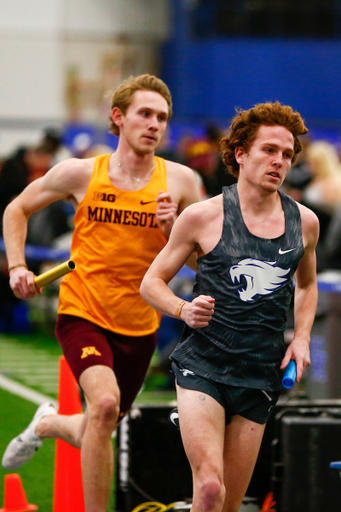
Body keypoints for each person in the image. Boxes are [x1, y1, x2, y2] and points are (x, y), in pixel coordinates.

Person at [1, 74, 200, 512]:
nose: (154, 124)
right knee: (105, 405)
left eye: (162, 118)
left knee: (100, 423)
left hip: (140, 322)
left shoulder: (182, 183)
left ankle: (49, 424)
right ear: (118, 118)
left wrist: (172, 231)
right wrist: (17, 265)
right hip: (83, 311)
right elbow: (17, 208)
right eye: (144, 114)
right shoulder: (81, 173)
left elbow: (204, 264)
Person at [140, 101, 319, 512]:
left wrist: (303, 339)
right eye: (269, 150)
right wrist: (183, 310)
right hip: (204, 365)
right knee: (208, 490)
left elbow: (307, 284)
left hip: (259, 373)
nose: (279, 162)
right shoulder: (202, 217)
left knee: (229, 504)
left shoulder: (304, 222)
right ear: (240, 153)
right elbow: (151, 282)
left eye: (287, 155)